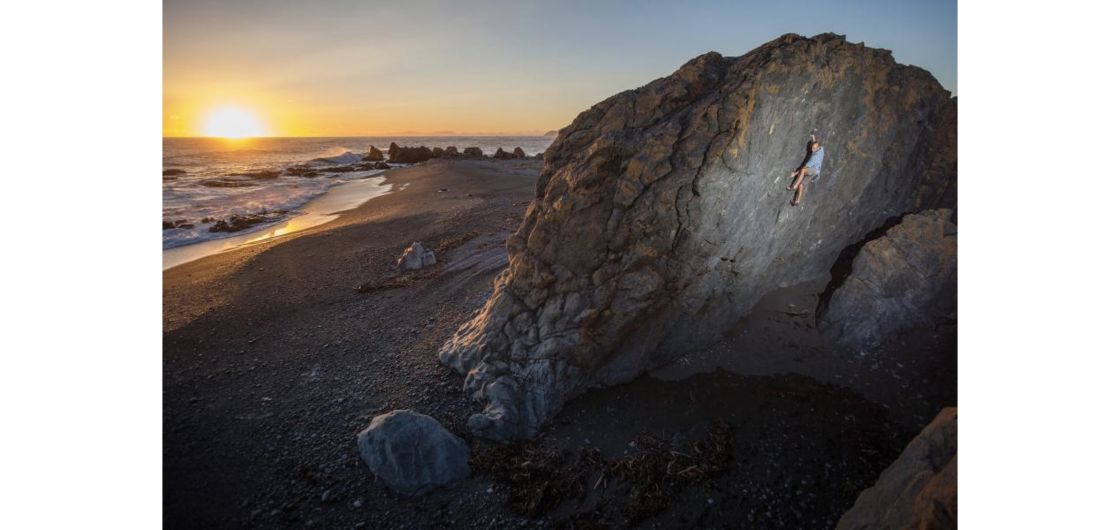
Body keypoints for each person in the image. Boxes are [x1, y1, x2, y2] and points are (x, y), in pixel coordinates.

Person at [787, 135, 825, 206]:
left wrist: (794, 174)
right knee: (802, 184)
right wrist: (813, 138)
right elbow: (815, 144)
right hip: (816, 173)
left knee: (803, 170)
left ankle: (794, 186)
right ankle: (797, 201)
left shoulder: (815, 158)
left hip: (813, 170)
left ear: (818, 148)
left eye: (814, 148)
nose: (812, 149)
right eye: (812, 147)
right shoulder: (821, 149)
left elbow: (805, 167)